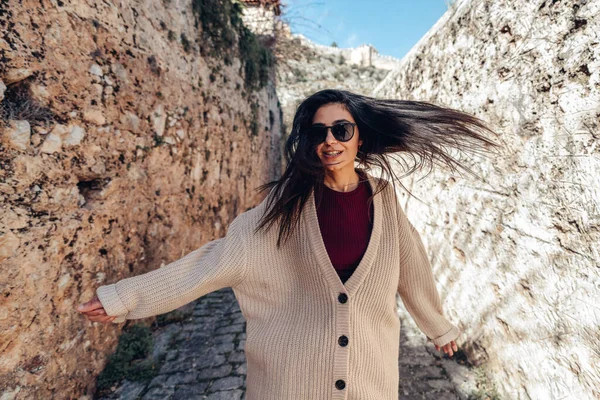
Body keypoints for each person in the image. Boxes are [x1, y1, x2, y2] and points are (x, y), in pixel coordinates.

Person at [77, 89, 500, 399]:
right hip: (290, 383)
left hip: (370, 380)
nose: (329, 140)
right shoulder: (284, 209)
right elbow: (212, 261)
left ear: (360, 139)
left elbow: (411, 262)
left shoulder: (384, 198)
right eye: (319, 133)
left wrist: (436, 324)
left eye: (341, 129)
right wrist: (126, 297)